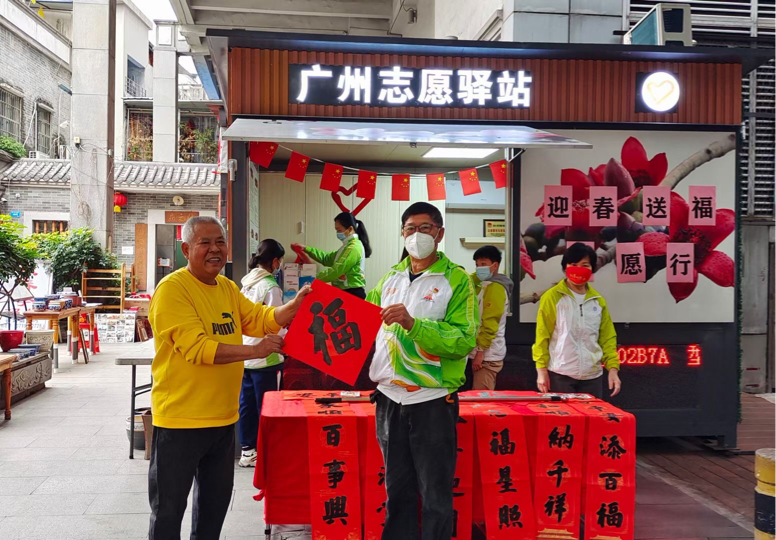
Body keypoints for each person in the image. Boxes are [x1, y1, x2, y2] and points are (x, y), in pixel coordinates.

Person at [147, 216, 310, 540]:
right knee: (168, 512)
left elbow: (259, 318)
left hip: (223, 420)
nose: (215, 249)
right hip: (180, 421)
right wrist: (255, 351)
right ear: (186, 249)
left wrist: (293, 306)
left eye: (220, 242)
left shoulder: (226, 288)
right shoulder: (172, 290)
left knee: (213, 510)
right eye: (204, 243)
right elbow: (197, 348)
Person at [367, 202, 478, 540]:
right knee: (396, 489)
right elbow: (362, 320)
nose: (417, 235)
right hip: (389, 398)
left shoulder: (457, 280)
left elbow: (463, 340)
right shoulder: (390, 277)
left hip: (432, 400)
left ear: (439, 233)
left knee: (435, 493)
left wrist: (414, 325)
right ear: (402, 234)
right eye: (410, 228)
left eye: (425, 228)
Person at [533, 242, 621, 399]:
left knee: (592, 415)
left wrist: (613, 369)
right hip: (561, 374)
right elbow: (542, 335)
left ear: (592, 269)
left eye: (585, 265)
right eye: (573, 265)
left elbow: (607, 337)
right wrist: (541, 370)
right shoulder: (551, 297)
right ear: (565, 267)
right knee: (564, 415)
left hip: (592, 376)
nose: (579, 269)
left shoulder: (598, 301)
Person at [237, 239, 286, 468]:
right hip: (267, 356)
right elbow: (276, 322)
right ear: (275, 261)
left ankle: (247, 451)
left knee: (246, 405)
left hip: (245, 354)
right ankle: (268, 453)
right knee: (268, 407)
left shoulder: (246, 283)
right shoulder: (270, 286)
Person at [291, 211, 371, 299]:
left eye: (339, 230)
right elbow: (327, 259)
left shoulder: (353, 248)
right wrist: (306, 249)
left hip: (352, 293)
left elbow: (336, 271)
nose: (337, 233)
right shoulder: (346, 247)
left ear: (350, 229)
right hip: (345, 291)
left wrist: (311, 279)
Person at [469, 245, 514, 391]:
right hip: (477, 352)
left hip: (487, 356)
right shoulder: (483, 284)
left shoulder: (496, 287)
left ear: (495, 265)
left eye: (483, 264)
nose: (479, 268)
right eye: (477, 265)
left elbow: (490, 322)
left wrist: (480, 352)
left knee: (481, 397)